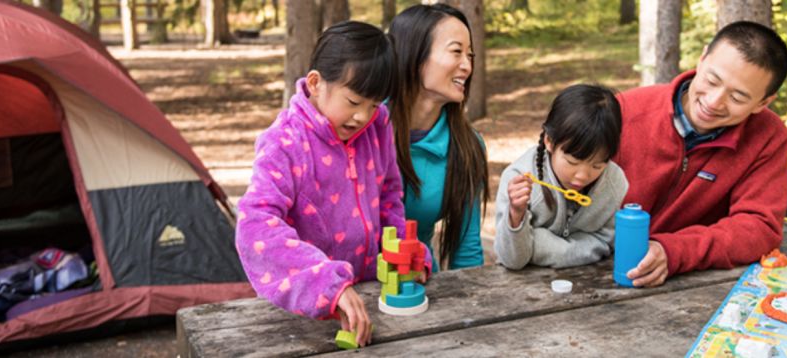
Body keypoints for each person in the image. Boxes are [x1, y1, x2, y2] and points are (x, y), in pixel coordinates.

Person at [235, 21, 424, 348]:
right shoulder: (284, 142)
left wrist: (401, 259)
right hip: (302, 318)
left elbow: (390, 195)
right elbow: (255, 226)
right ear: (315, 83)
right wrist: (324, 284)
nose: (363, 117)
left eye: (373, 104)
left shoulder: (378, 126)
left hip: (372, 300)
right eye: (353, 102)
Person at [615, 21, 787, 287]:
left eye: (738, 97)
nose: (713, 102)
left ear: (763, 102)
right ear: (702, 58)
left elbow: (759, 228)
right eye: (712, 80)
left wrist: (675, 251)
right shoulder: (624, 111)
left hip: (691, 287)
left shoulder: (768, 137)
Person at [387, 4, 489, 270]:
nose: (467, 66)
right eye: (456, 51)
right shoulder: (361, 127)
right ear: (414, 54)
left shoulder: (467, 146)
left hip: (416, 287)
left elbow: (466, 250)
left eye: (470, 55)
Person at [494, 84, 628, 269]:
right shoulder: (519, 180)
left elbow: (607, 242)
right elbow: (512, 260)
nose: (582, 176)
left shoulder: (615, 183)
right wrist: (516, 216)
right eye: (573, 162)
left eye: (597, 165)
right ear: (549, 141)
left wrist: (539, 244)